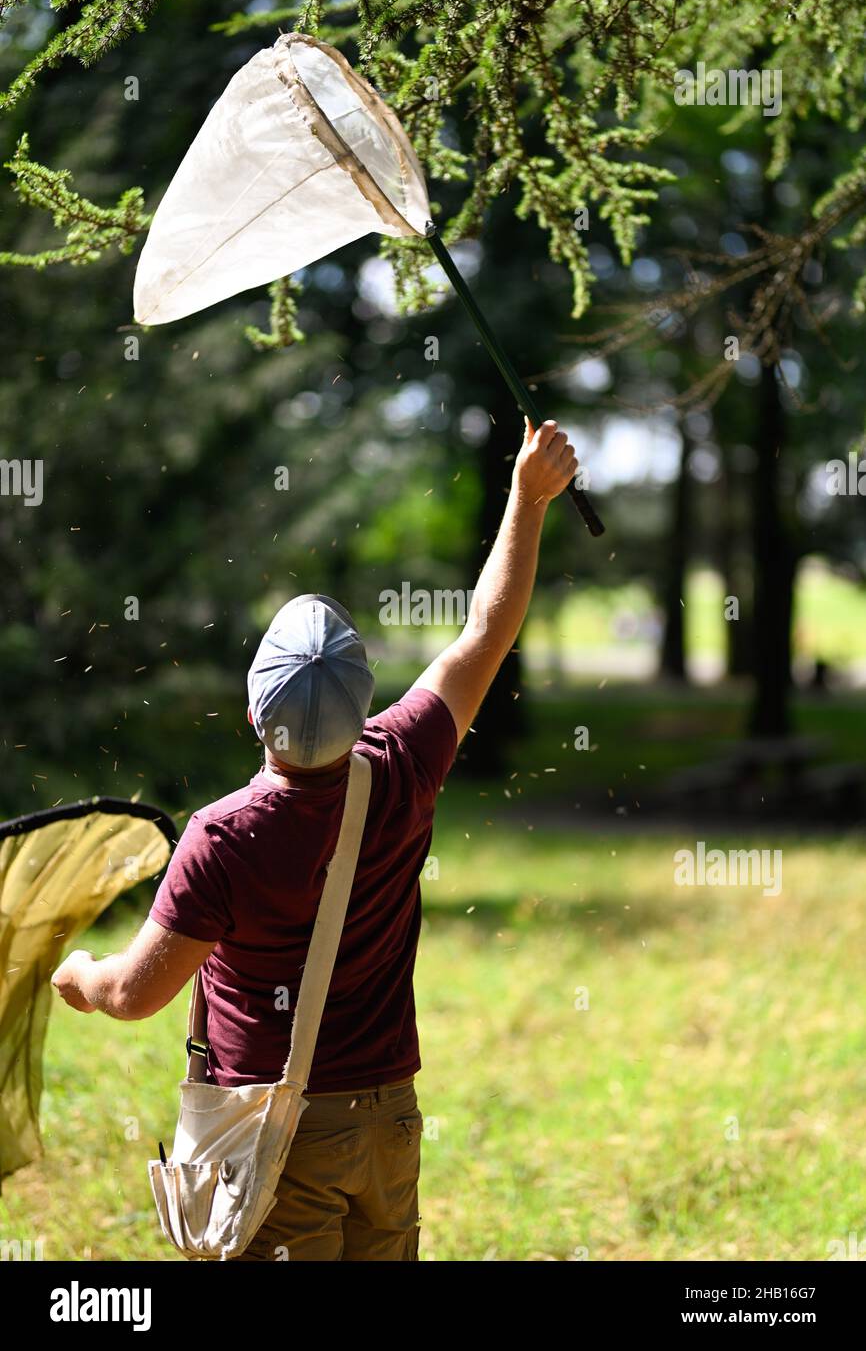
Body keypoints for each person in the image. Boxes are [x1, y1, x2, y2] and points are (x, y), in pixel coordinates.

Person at [51, 417, 579, 1261]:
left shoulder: (223, 838)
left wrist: (75, 972)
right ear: (366, 702)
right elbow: (487, 630)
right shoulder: (405, 758)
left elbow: (133, 995)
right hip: (391, 1118)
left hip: (279, 1133)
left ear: (254, 714)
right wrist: (527, 496)